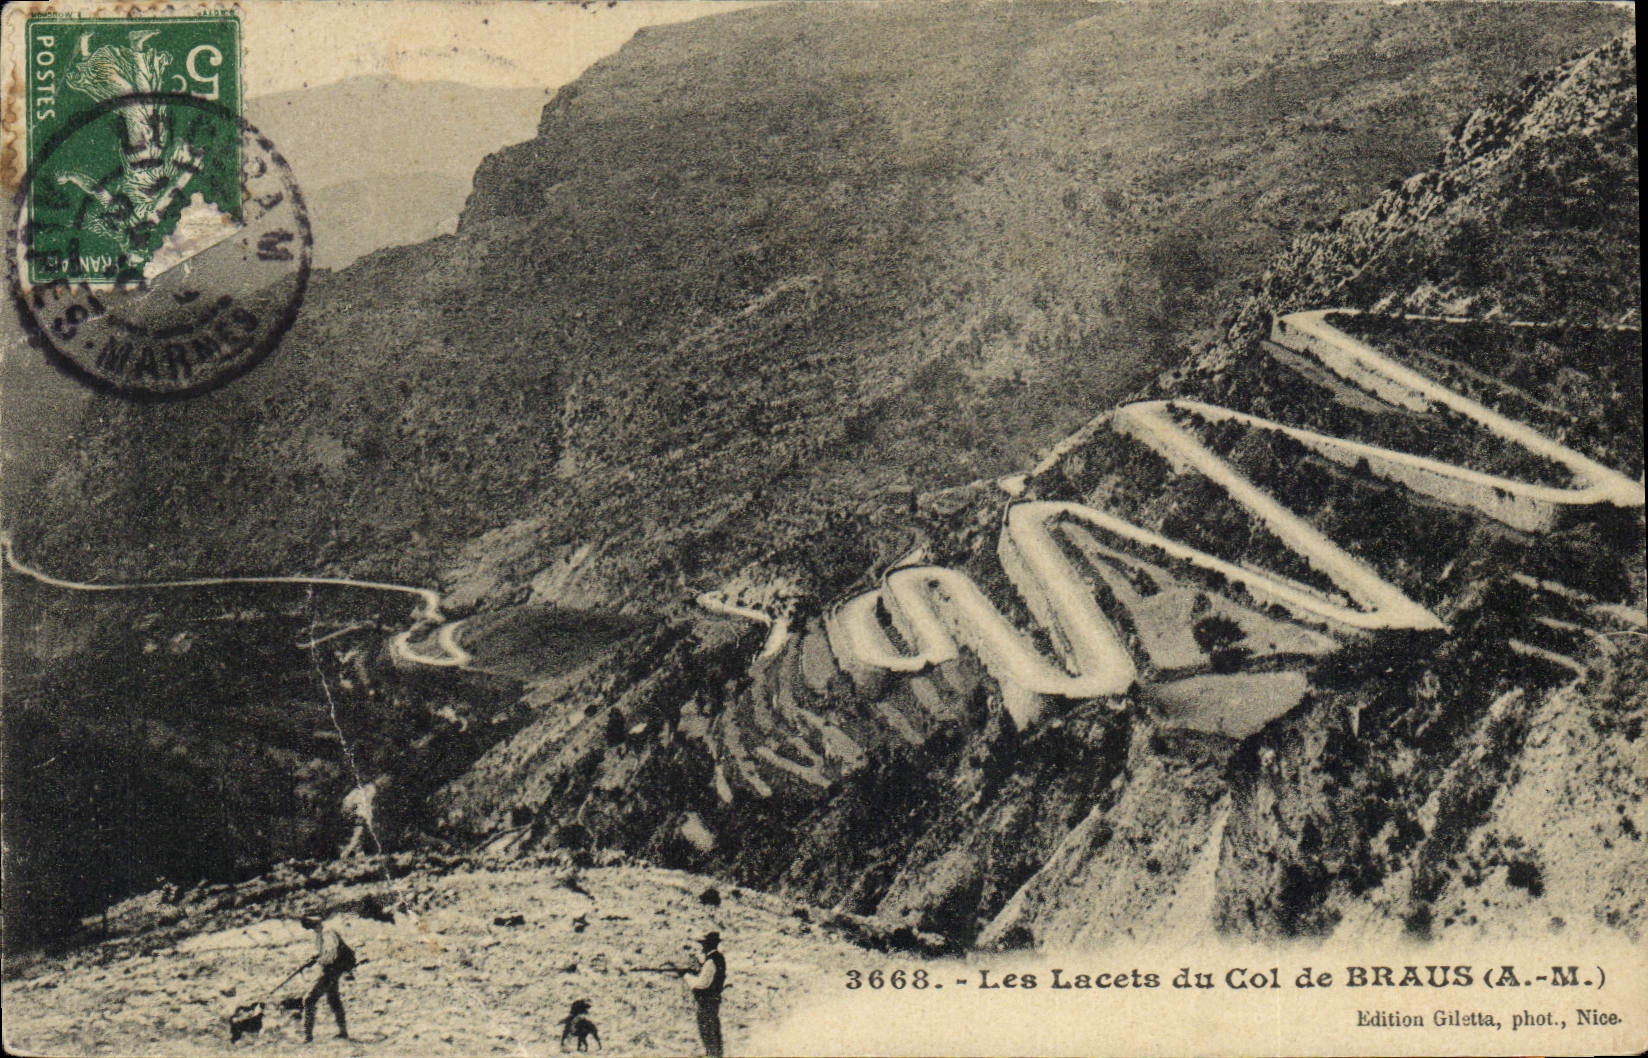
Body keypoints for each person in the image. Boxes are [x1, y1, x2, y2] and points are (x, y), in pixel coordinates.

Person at [297, 915, 353, 1043]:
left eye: (311, 926)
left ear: (316, 923)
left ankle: (308, 1036)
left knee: (309, 999)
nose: (311, 929)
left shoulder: (328, 933)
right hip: (332, 970)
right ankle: (343, 1032)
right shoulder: (321, 933)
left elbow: (331, 955)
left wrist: (318, 960)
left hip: (332, 970)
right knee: (333, 999)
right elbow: (324, 952)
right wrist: (315, 959)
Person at [683, 929, 726, 1057]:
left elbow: (702, 984)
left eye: (704, 944)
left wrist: (687, 977)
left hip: (706, 1004)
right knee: (713, 1035)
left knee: (708, 1035)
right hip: (713, 1002)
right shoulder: (718, 958)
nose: (702, 947)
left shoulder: (711, 961)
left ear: (708, 945)